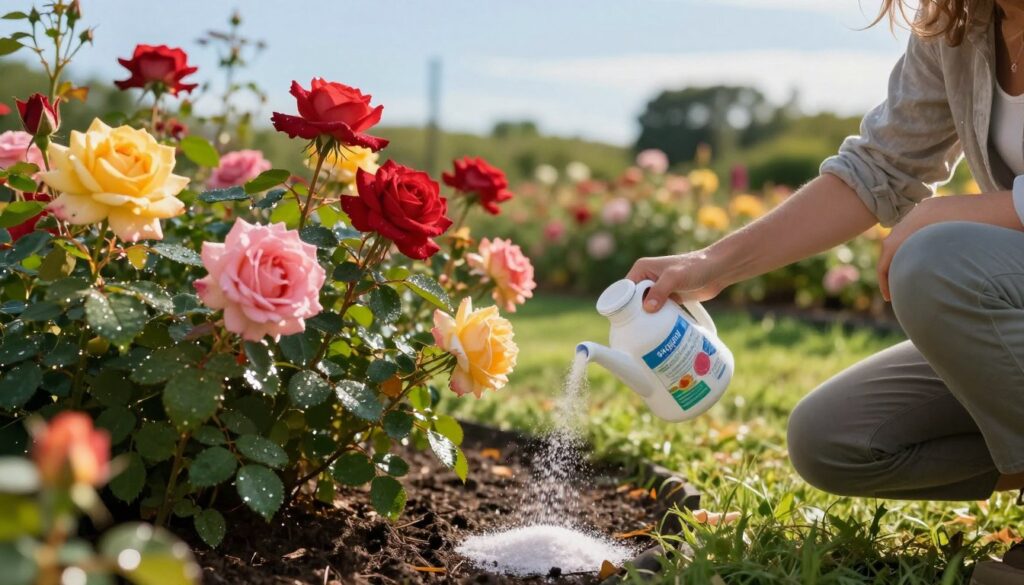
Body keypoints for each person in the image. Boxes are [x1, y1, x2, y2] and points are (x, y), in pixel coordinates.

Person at [626, 0, 1024, 582]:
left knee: (936, 262)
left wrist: (973, 209)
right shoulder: (961, 27)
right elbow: (878, 169)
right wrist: (711, 265)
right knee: (836, 437)